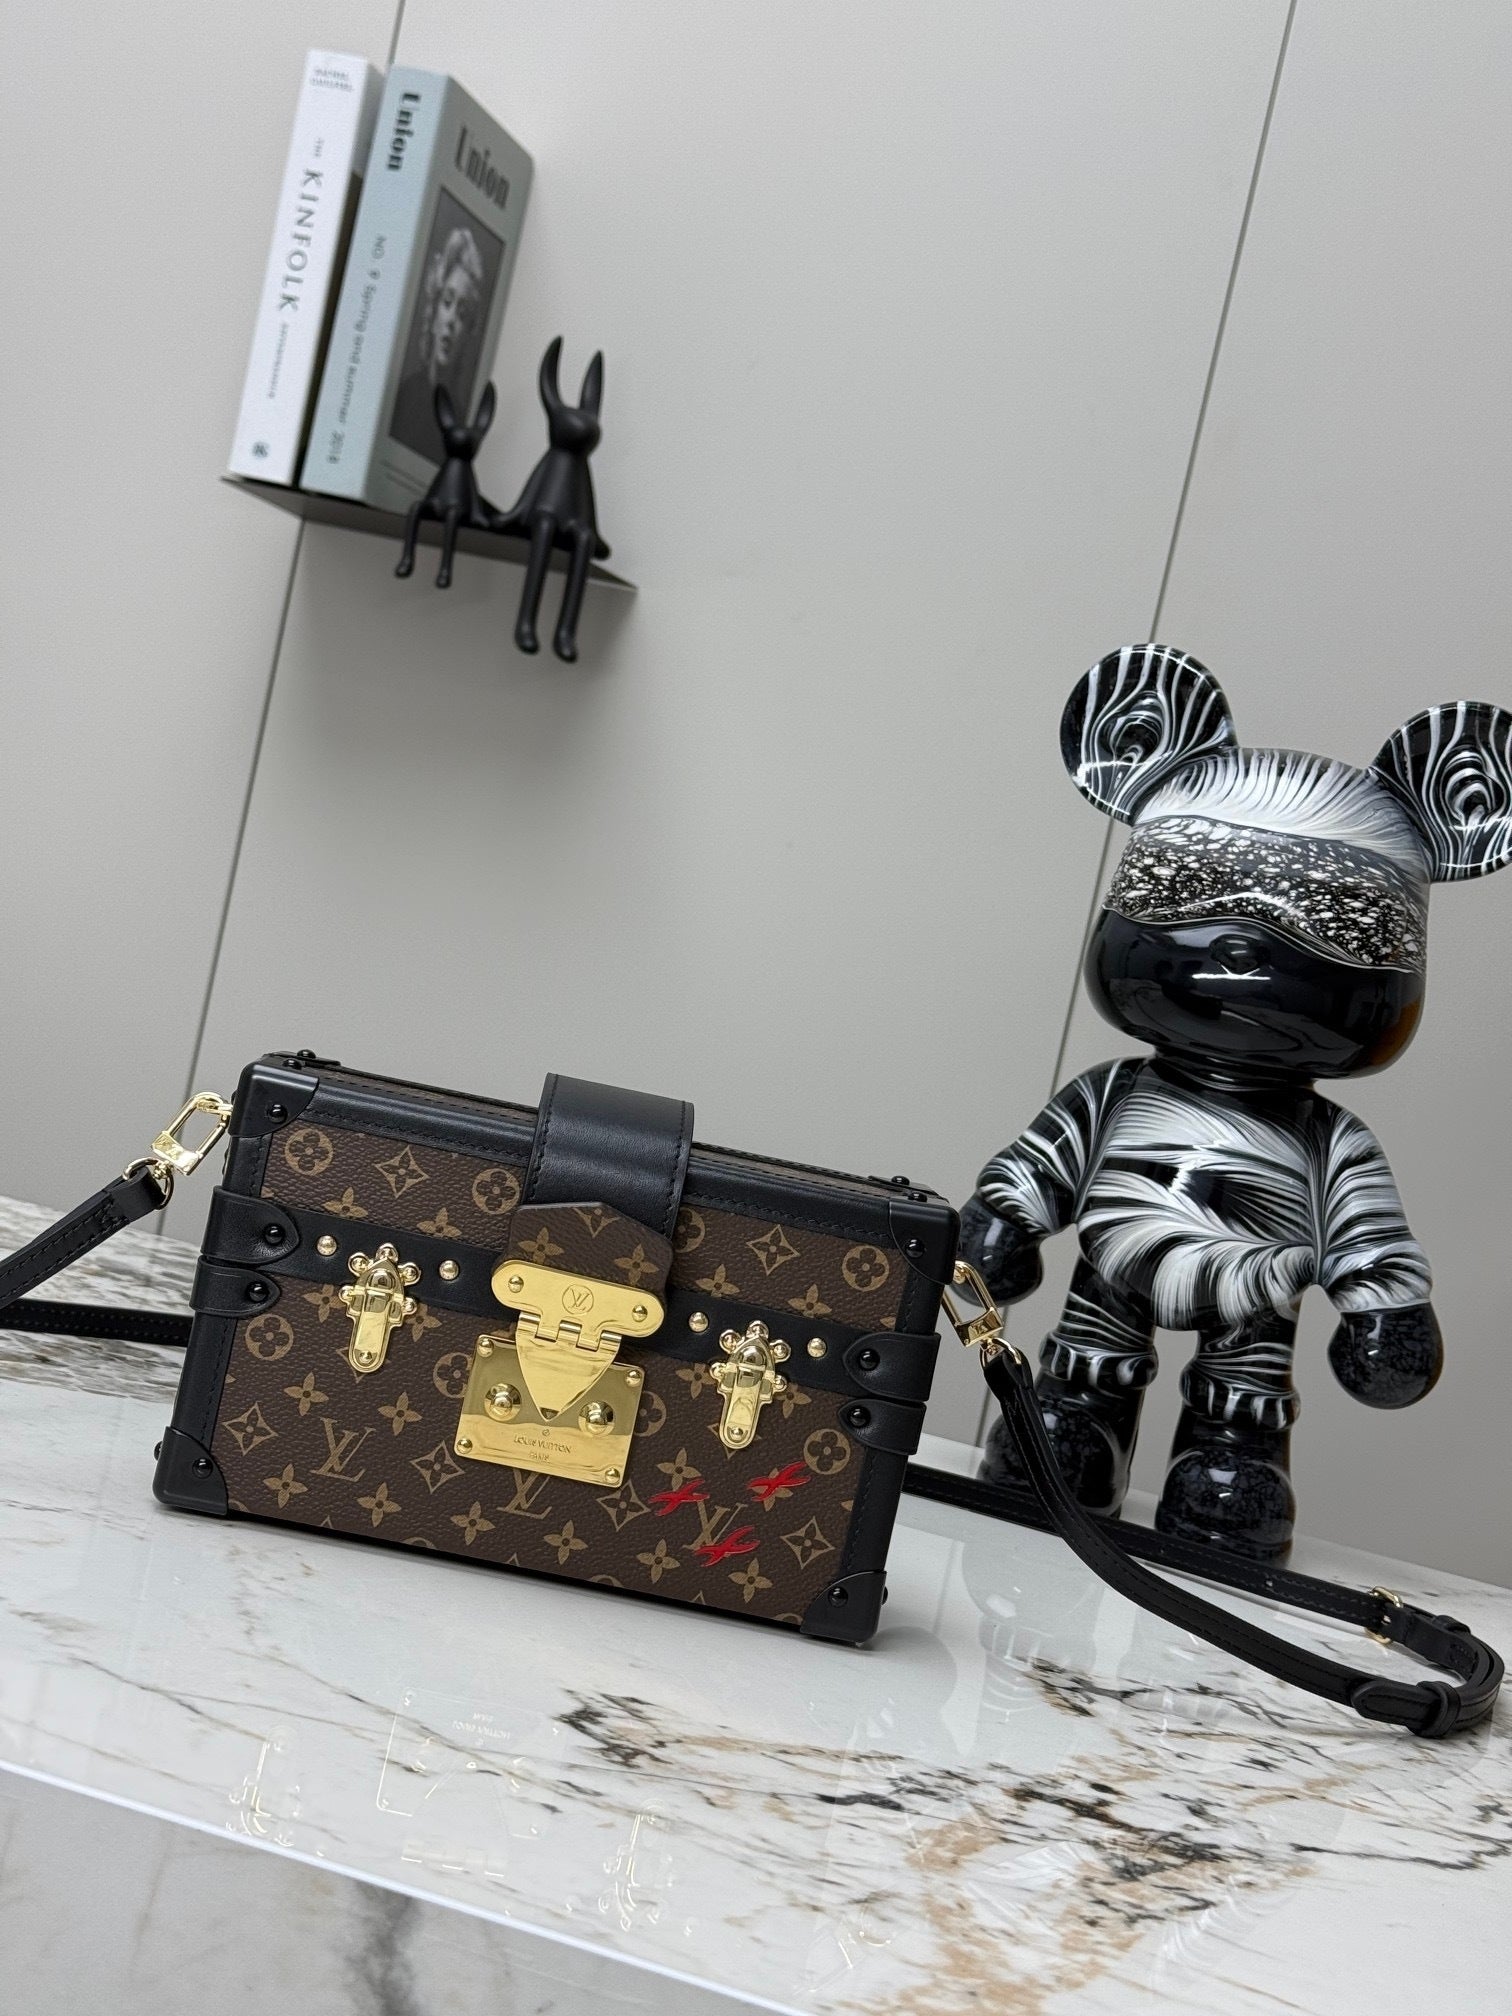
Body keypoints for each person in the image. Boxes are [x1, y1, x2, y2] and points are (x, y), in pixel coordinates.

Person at [389, 225, 486, 460]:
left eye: (462, 313)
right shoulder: (406, 395)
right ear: (433, 314)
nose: (451, 320)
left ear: (468, 334)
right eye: (447, 302)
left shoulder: (463, 423)